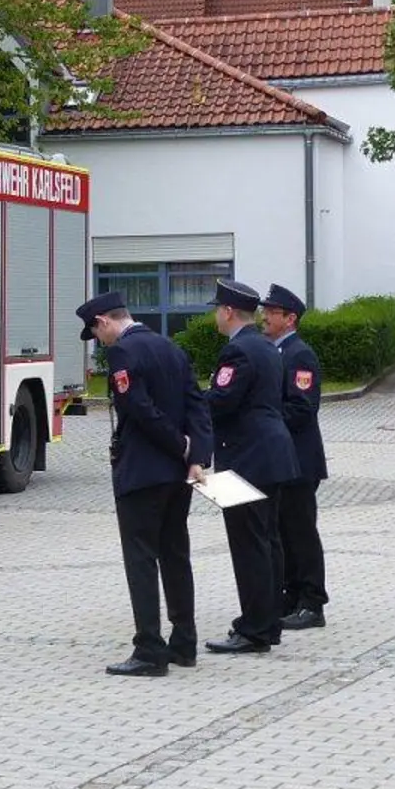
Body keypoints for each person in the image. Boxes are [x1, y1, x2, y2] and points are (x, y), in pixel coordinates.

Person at [78, 292, 212, 676]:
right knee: (175, 554)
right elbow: (197, 405)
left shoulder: (123, 352)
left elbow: (139, 410)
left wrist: (179, 445)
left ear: (104, 321)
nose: (99, 343)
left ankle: (150, 649)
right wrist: (195, 454)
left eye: (95, 333)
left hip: (142, 472)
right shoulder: (171, 347)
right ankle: (184, 642)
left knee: (141, 559)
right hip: (177, 474)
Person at [202, 279, 299, 655]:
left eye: (217, 309)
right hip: (270, 455)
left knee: (249, 545)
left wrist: (194, 400)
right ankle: (268, 622)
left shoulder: (239, 351)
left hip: (246, 458)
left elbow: (222, 401)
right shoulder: (265, 345)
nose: (215, 315)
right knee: (268, 541)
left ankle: (254, 629)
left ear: (228, 312)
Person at [260, 285, 329, 631]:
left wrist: (263, 425)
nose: (265, 317)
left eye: (272, 313)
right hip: (281, 460)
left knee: (300, 532)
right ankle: (290, 596)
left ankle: (312, 602)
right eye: (265, 311)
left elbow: (301, 408)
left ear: (290, 319)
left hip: (300, 461)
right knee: (283, 531)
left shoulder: (299, 355)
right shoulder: (274, 352)